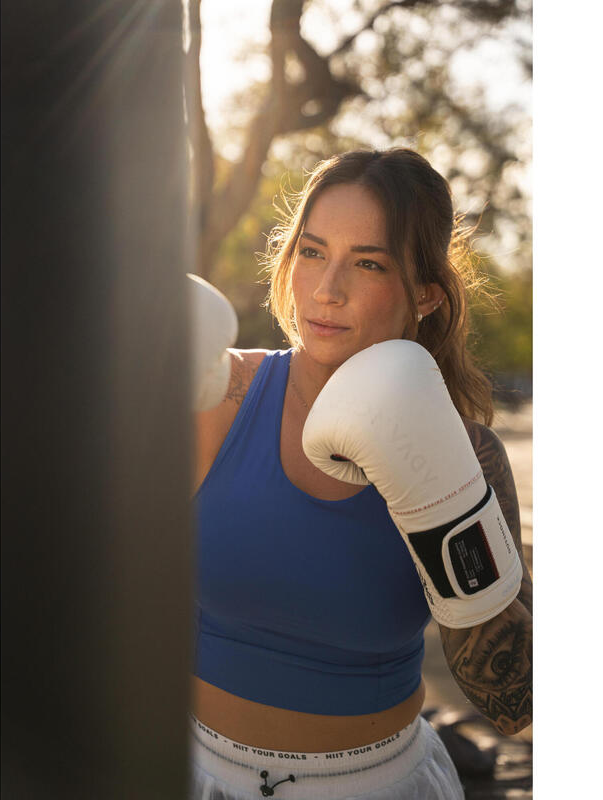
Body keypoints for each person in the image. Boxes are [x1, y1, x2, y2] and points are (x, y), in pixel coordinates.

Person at [188, 148, 533, 800]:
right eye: (313, 252)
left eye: (367, 263)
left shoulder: (471, 452)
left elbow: (514, 700)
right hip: (200, 774)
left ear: (426, 294)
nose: (326, 289)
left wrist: (442, 503)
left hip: (380, 786)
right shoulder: (219, 393)